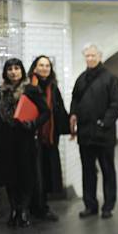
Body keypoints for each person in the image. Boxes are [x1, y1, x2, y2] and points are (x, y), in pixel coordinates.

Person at [0, 58, 50, 227]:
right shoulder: (0, 92)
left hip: (25, 139)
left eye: (17, 68)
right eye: (10, 69)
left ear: (22, 71)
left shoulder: (31, 90)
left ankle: (23, 210)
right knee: (10, 176)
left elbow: (45, 112)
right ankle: (14, 209)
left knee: (26, 175)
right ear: (5, 72)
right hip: (5, 140)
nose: (13, 72)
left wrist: (32, 124)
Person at [70, 44, 118, 219]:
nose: (90, 59)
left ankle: (108, 206)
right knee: (88, 171)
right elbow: (75, 100)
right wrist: (73, 115)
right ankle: (90, 205)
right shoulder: (81, 79)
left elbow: (116, 104)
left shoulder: (110, 79)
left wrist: (103, 123)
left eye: (93, 55)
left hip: (104, 134)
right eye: (87, 56)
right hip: (85, 134)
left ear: (99, 56)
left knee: (108, 170)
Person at [27, 55, 71, 222]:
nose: (44, 68)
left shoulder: (53, 88)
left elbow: (58, 110)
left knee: (45, 172)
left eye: (47, 65)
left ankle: (42, 206)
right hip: (31, 136)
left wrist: (69, 127)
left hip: (49, 137)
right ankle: (32, 207)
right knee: (33, 172)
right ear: (35, 68)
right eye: (41, 65)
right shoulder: (29, 86)